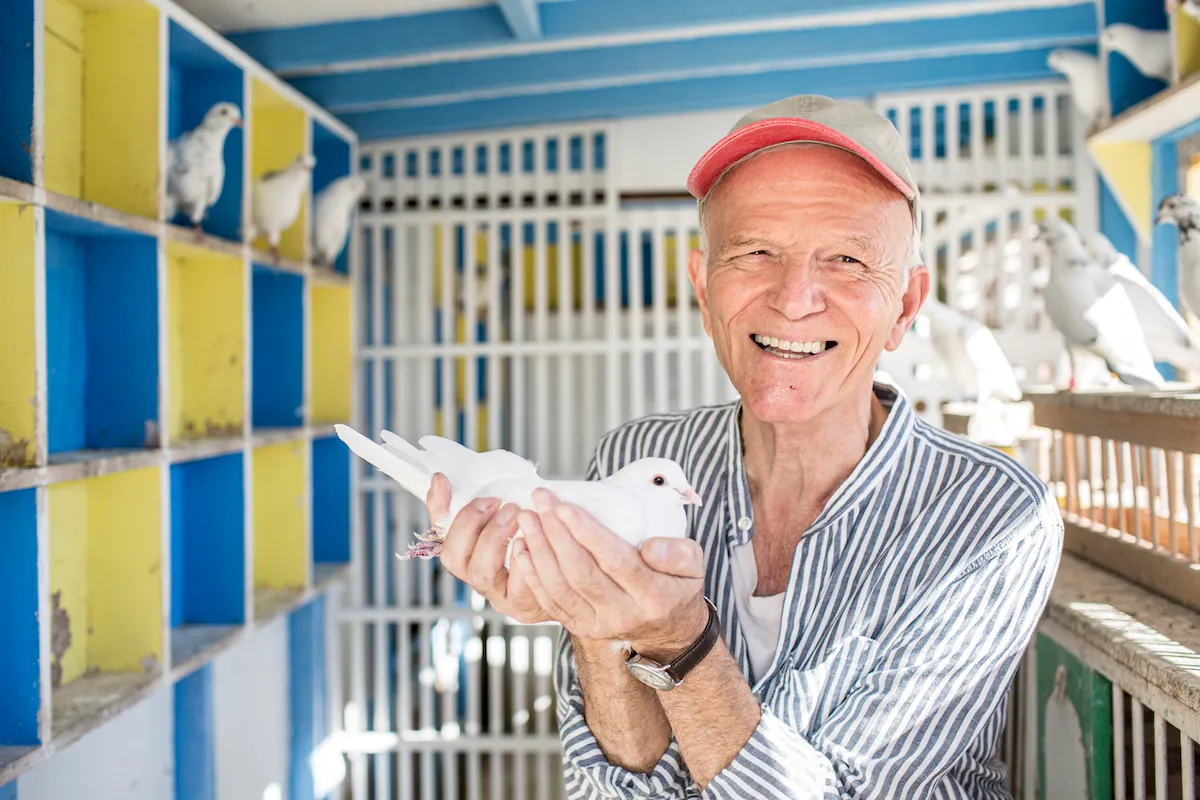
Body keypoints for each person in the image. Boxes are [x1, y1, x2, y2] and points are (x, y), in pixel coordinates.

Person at [427, 94, 1063, 798]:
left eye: (847, 260)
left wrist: (678, 641)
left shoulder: (991, 517)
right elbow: (612, 787)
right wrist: (595, 626)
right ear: (704, 288)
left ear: (905, 307)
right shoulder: (639, 460)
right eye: (757, 251)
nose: (794, 300)